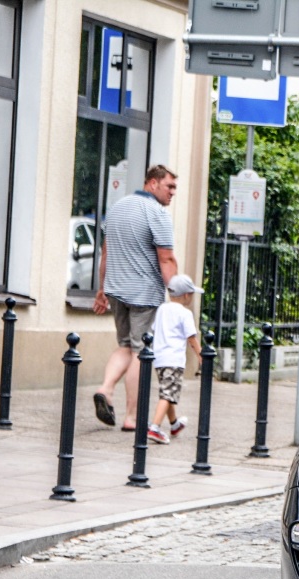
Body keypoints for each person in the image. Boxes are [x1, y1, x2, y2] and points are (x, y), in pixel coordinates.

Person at [92, 165, 179, 431]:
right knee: (141, 353)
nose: (173, 192)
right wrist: (176, 292)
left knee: (125, 347)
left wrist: (102, 290)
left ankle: (106, 389)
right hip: (144, 295)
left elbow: (106, 253)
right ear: (152, 183)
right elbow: (166, 258)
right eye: (169, 186)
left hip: (117, 291)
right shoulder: (157, 214)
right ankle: (132, 417)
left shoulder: (118, 207)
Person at [147, 275, 203, 445]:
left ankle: (174, 424)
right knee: (168, 394)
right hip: (174, 359)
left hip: (159, 359)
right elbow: (192, 338)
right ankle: (155, 428)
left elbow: (154, 330)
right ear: (186, 295)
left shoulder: (162, 309)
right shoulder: (185, 314)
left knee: (167, 391)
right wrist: (202, 356)